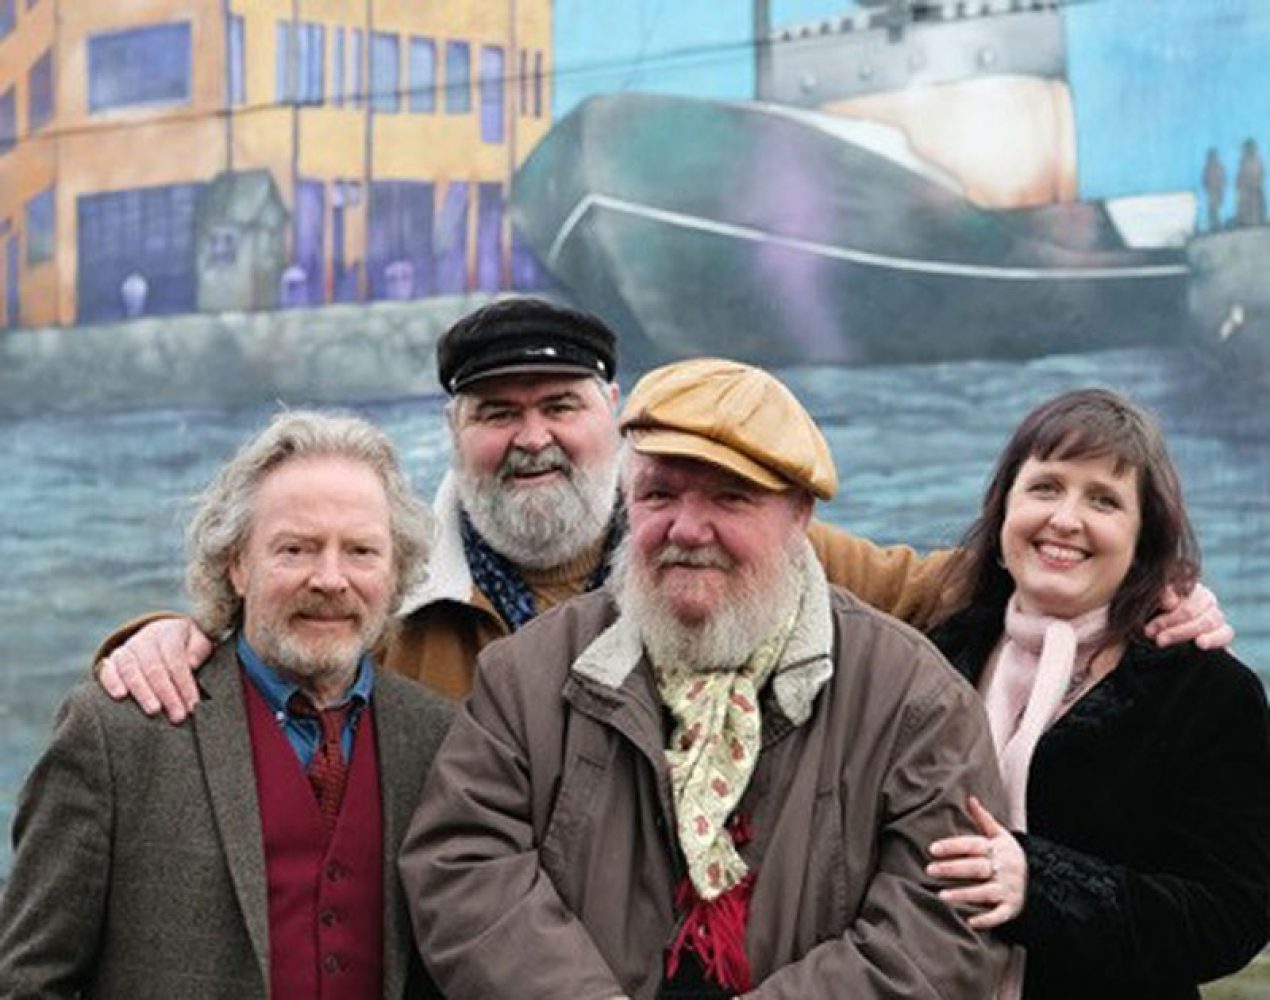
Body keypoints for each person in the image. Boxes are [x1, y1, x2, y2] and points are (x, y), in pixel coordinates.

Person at [93, 298, 1231, 714]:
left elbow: (955, 587)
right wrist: (163, 634)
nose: (531, 438)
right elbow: (277, 632)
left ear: (615, 416)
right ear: (453, 432)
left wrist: (1149, 596)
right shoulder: (387, 579)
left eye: (560, 406)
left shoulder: (740, 546)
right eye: (496, 413)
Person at [398, 359, 1008, 998]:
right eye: (659, 495)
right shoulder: (527, 674)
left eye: (729, 498)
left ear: (800, 515)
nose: (687, 529)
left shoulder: (913, 698)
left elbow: (940, 926)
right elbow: (466, 870)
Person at [0, 412, 454, 998]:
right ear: (237, 565)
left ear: (396, 573)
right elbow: (27, 980)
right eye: (296, 549)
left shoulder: (437, 736)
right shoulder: (116, 733)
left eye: (362, 551)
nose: (330, 579)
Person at [924, 389, 1270, 1000]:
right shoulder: (936, 656)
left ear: (1143, 542)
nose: (1065, 518)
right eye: (1045, 487)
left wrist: (1039, 885)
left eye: (1104, 500)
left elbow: (1231, 916)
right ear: (1003, 510)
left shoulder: (1208, 694)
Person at [1236, 138, 1266, 227]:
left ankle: (1257, 221)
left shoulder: (1258, 161)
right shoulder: (1243, 162)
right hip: (1246, 192)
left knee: (1257, 207)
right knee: (1246, 208)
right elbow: (1240, 177)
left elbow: (1261, 174)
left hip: (1256, 190)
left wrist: (1257, 184)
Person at [1202, 147, 1226, 232]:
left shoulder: (1219, 167)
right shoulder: (1207, 167)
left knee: (1215, 208)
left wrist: (1221, 189)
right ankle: (1214, 225)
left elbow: (1223, 179)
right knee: (1212, 209)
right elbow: (1204, 180)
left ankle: (1217, 225)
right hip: (1211, 191)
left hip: (1217, 190)